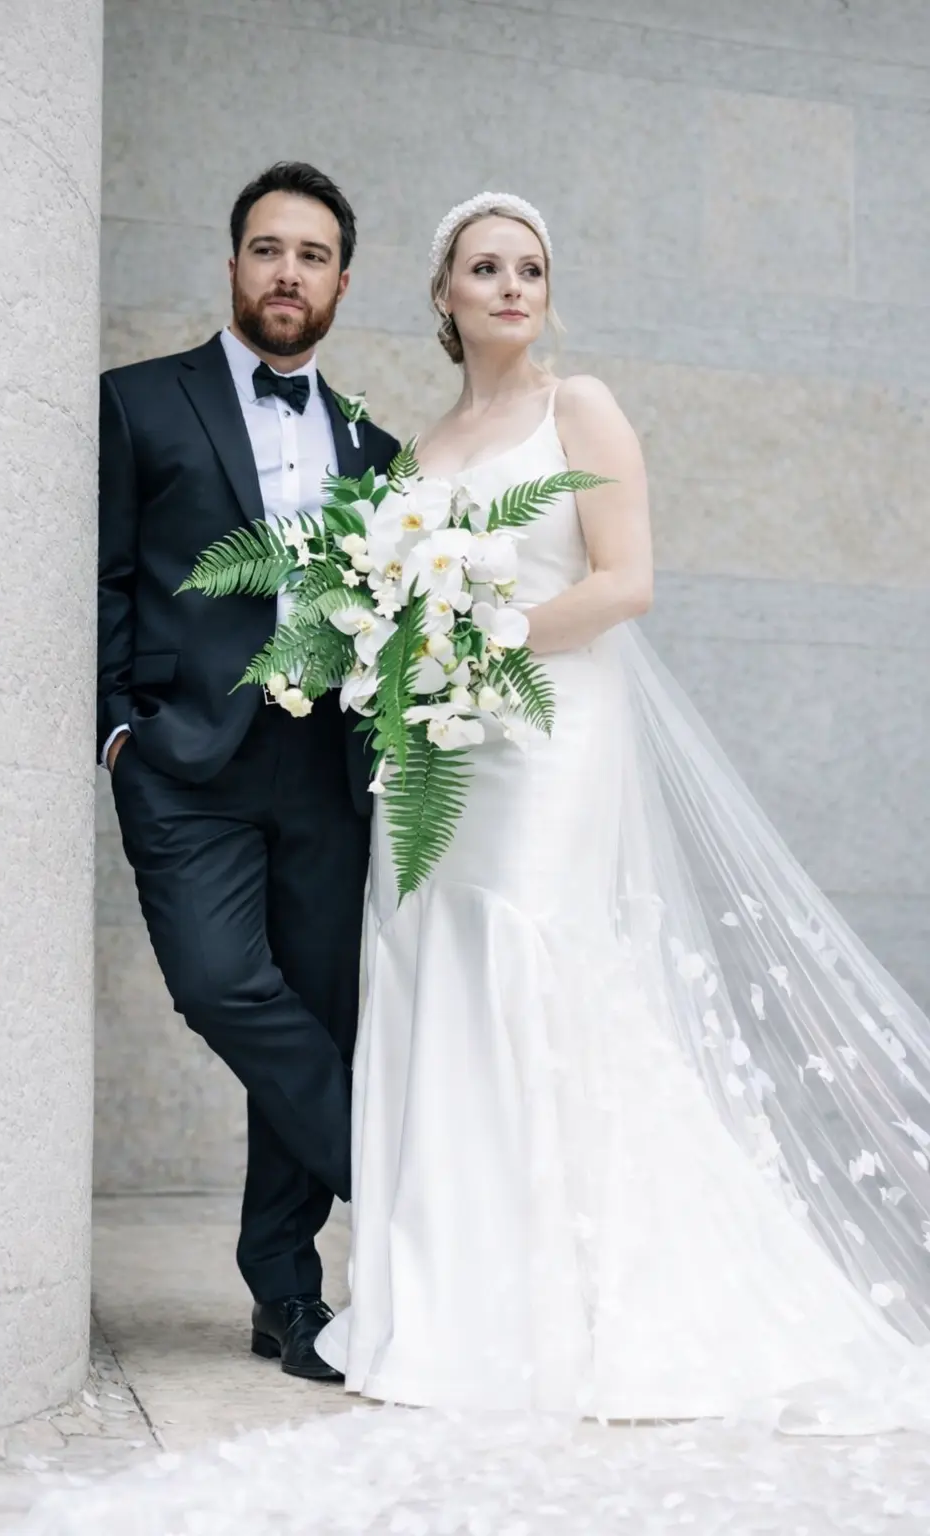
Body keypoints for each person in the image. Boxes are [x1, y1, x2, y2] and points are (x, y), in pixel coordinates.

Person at [314, 192, 930, 1430]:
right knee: (438, 969)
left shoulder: (579, 407)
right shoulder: (418, 453)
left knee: (534, 958)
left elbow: (627, 582)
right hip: (437, 755)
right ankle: (457, 1300)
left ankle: (576, 1305)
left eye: (530, 269)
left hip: (549, 735)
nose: (510, 286)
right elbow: (386, 602)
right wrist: (405, 647)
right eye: (485, 268)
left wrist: (478, 636)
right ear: (442, 294)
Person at [98, 161, 398, 1381]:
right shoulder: (138, 403)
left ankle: (287, 1295)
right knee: (222, 983)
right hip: (186, 761)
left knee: (315, 1010)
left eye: (312, 255)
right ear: (233, 266)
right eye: (269, 249)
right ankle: (390, 1168)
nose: (288, 272)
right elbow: (101, 574)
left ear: (340, 283)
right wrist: (116, 730)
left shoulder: (377, 447)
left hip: (327, 767)